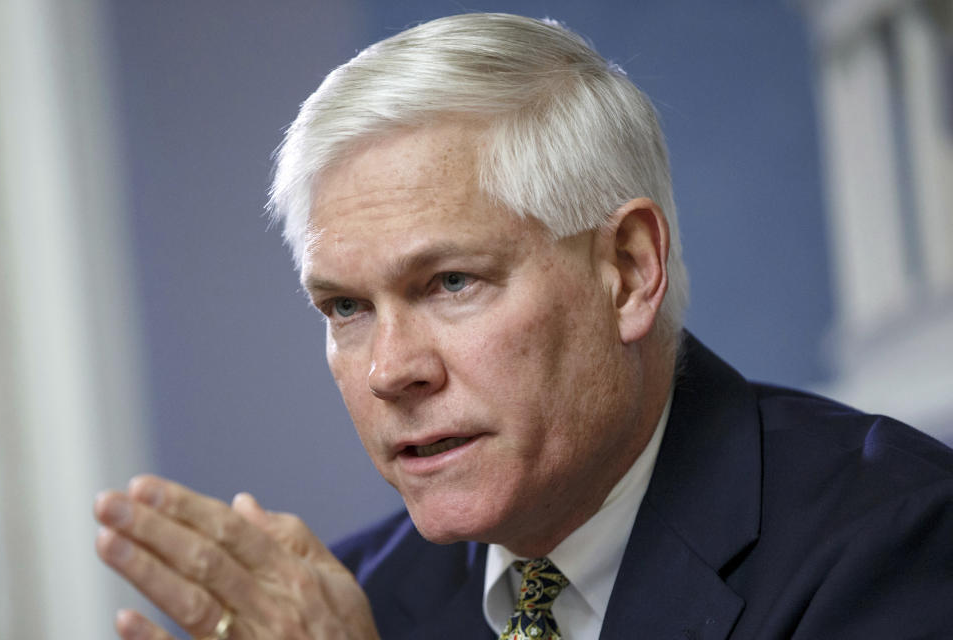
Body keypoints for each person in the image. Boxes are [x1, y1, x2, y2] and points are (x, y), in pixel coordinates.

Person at [94, 13, 953, 640]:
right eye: (346, 308)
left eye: (451, 282)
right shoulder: (354, 599)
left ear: (628, 271)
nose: (391, 370)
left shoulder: (892, 541)